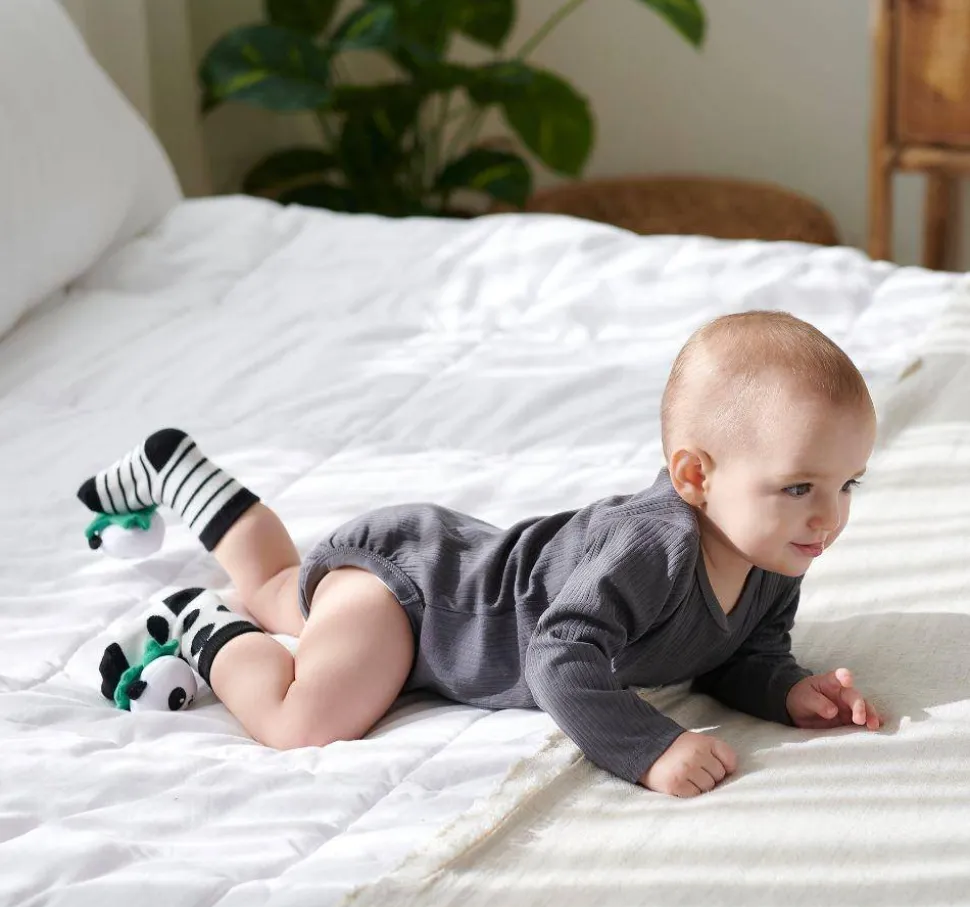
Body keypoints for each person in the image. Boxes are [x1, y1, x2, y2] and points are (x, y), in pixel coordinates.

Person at [77, 310, 882, 798]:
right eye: (800, 486)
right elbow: (558, 658)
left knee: (281, 585)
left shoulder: (775, 552)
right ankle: (200, 621)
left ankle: (178, 469)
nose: (830, 517)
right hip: (418, 600)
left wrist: (786, 688)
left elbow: (734, 653)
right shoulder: (652, 547)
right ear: (696, 476)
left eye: (848, 483)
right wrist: (650, 747)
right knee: (304, 717)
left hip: (445, 564)